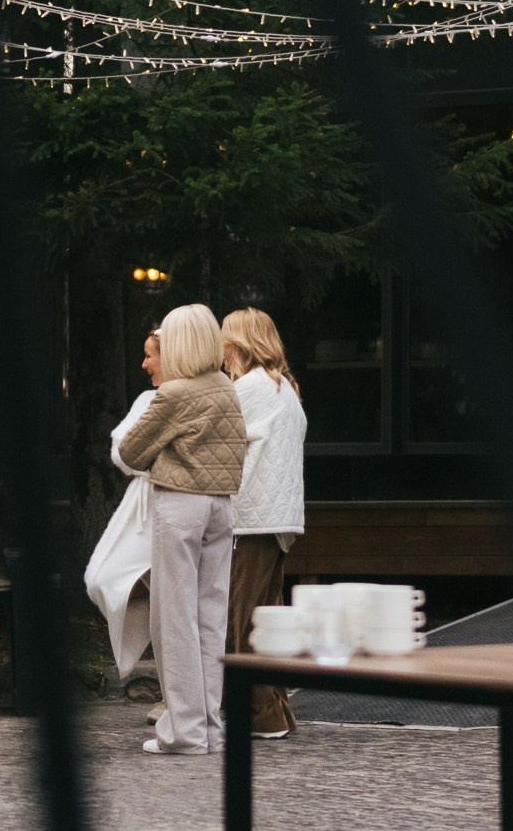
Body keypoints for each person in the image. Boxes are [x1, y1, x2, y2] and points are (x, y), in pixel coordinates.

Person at [117, 303, 247, 757]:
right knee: (211, 619)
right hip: (221, 508)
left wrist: (163, 453)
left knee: (173, 619)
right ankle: (211, 728)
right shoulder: (226, 388)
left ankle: (184, 733)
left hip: (180, 506)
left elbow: (131, 452)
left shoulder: (172, 394)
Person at [220, 307, 307, 740]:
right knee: (265, 615)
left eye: (224, 339)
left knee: (243, 619)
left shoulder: (250, 386)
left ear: (238, 343)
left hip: (253, 516)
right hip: (279, 517)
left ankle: (258, 713)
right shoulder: (285, 388)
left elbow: (219, 437)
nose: (220, 348)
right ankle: (276, 709)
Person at [84, 329, 163, 711]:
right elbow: (123, 451)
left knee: (178, 601)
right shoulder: (149, 398)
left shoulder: (198, 396)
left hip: (182, 506)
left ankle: (176, 694)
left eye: (150, 356)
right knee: (102, 576)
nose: (144, 364)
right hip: (144, 502)